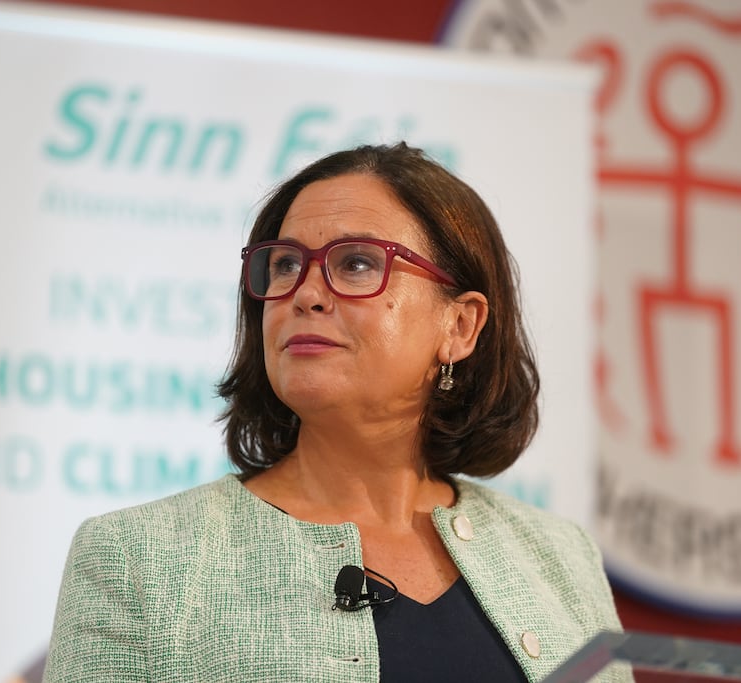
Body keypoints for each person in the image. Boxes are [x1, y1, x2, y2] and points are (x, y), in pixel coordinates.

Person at [42, 143, 627, 683]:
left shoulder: (561, 557)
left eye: (356, 264)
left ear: (460, 325)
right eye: (284, 265)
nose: (305, 293)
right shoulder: (138, 559)